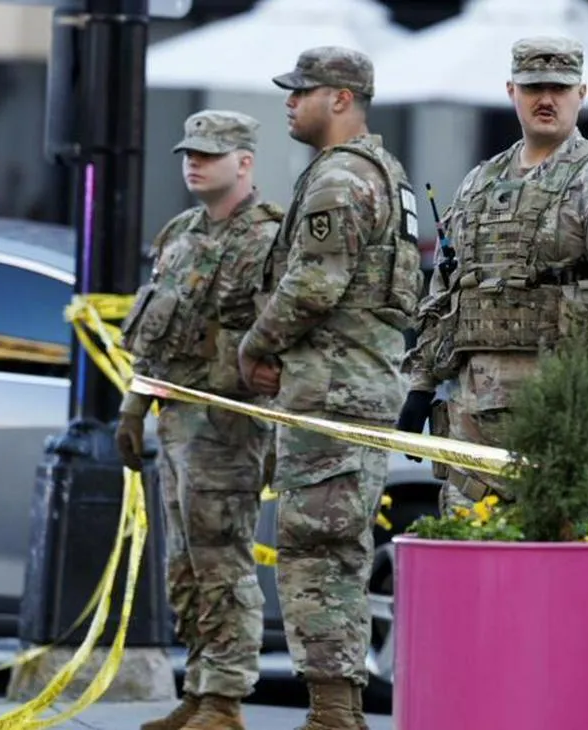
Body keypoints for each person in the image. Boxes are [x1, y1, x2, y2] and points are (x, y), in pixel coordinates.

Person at [236, 46, 422, 730]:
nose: (289, 102)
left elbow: (312, 285)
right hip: (356, 388)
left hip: (333, 393)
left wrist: (252, 345)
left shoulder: (341, 179)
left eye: (302, 91)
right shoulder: (384, 171)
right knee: (337, 551)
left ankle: (333, 713)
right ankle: (333, 708)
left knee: (317, 554)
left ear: (341, 98)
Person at [394, 36, 588, 514]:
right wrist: (419, 387)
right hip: (472, 420)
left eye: (559, 88)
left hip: (559, 413)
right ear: (511, 91)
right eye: (533, 87)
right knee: (471, 556)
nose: (546, 99)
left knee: (555, 559)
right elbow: (445, 290)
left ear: (581, 94)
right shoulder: (479, 182)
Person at [115, 109, 282, 730]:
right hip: (176, 420)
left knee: (221, 559)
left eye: (209, 154)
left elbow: (280, 334)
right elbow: (152, 334)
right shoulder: (181, 232)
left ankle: (225, 699)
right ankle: (199, 685)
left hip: (229, 424)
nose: (194, 162)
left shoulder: (269, 237)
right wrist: (134, 408)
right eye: (190, 152)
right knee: (183, 563)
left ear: (244, 162)